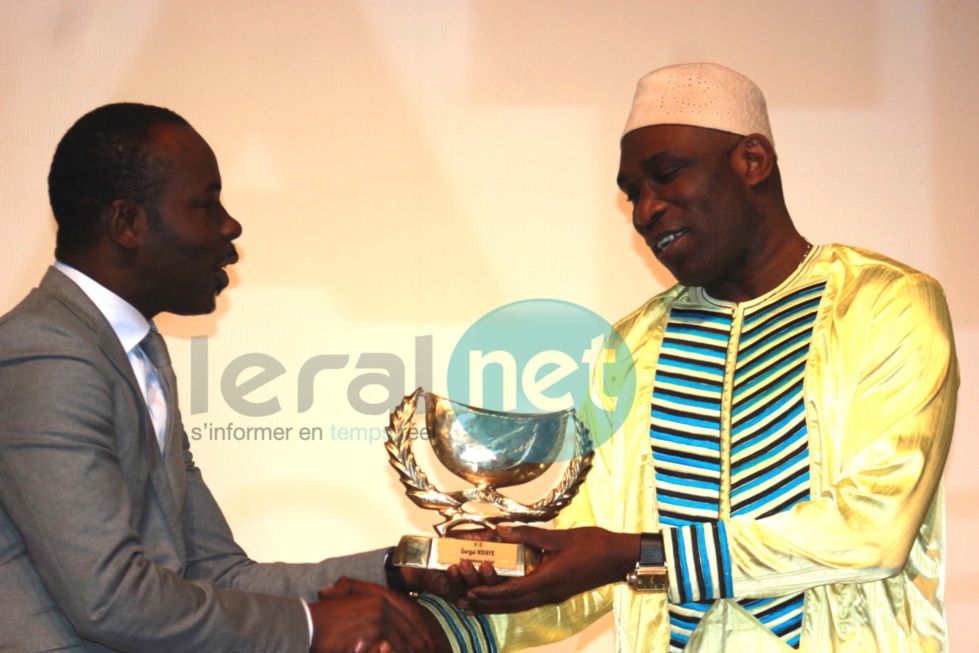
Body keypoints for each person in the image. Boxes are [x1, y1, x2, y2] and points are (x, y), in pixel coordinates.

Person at [453, 63, 959, 652]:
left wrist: (642, 554)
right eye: (633, 195)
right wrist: (456, 610)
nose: (645, 212)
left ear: (752, 161)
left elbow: (873, 529)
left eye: (665, 176)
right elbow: (584, 577)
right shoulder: (629, 352)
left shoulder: (886, 304)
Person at [0, 103, 464, 653]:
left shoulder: (138, 356)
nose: (230, 225)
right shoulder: (44, 352)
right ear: (127, 223)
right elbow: (111, 600)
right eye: (206, 204)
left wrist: (407, 566)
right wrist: (315, 628)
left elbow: (218, 574)